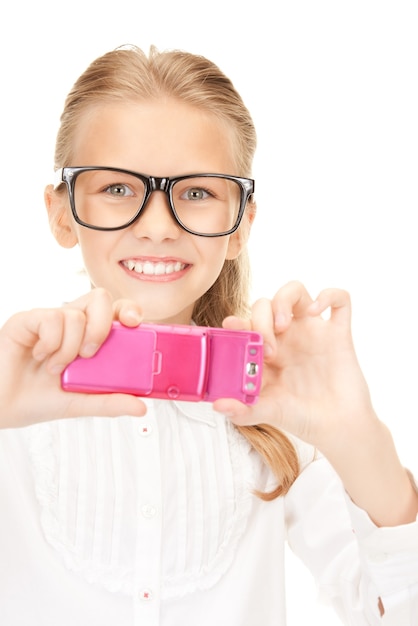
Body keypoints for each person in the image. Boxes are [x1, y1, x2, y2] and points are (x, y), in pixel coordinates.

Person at [0, 45, 417, 626]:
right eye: (118, 188)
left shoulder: (279, 417)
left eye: (196, 193)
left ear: (241, 223)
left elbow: (394, 609)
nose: (157, 227)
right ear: (62, 213)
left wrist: (358, 436)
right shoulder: (13, 397)